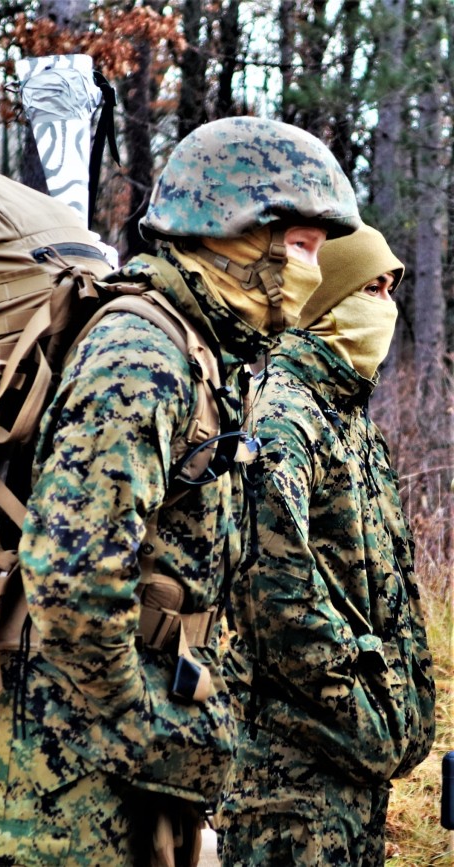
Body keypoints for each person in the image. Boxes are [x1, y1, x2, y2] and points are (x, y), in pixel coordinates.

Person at [0, 116, 361, 867]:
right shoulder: (142, 352)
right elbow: (72, 576)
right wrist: (150, 729)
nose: (314, 266)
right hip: (53, 778)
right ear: (237, 233)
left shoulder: (205, 350)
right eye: (302, 244)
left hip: (112, 761)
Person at [218, 223, 436, 866]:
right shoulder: (282, 414)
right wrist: (367, 712)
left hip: (346, 768)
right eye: (371, 287)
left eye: (392, 288)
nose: (386, 304)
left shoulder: (349, 419)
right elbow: (271, 591)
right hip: (289, 777)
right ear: (325, 301)